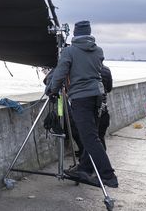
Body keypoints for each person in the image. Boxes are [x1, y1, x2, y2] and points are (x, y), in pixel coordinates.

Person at [46, 20, 118, 188]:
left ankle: (108, 176)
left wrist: (52, 90)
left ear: (75, 34)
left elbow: (61, 73)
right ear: (90, 33)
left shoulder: (69, 51)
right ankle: (84, 168)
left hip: (81, 99)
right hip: (98, 98)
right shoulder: (98, 51)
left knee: (90, 138)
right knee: (92, 135)